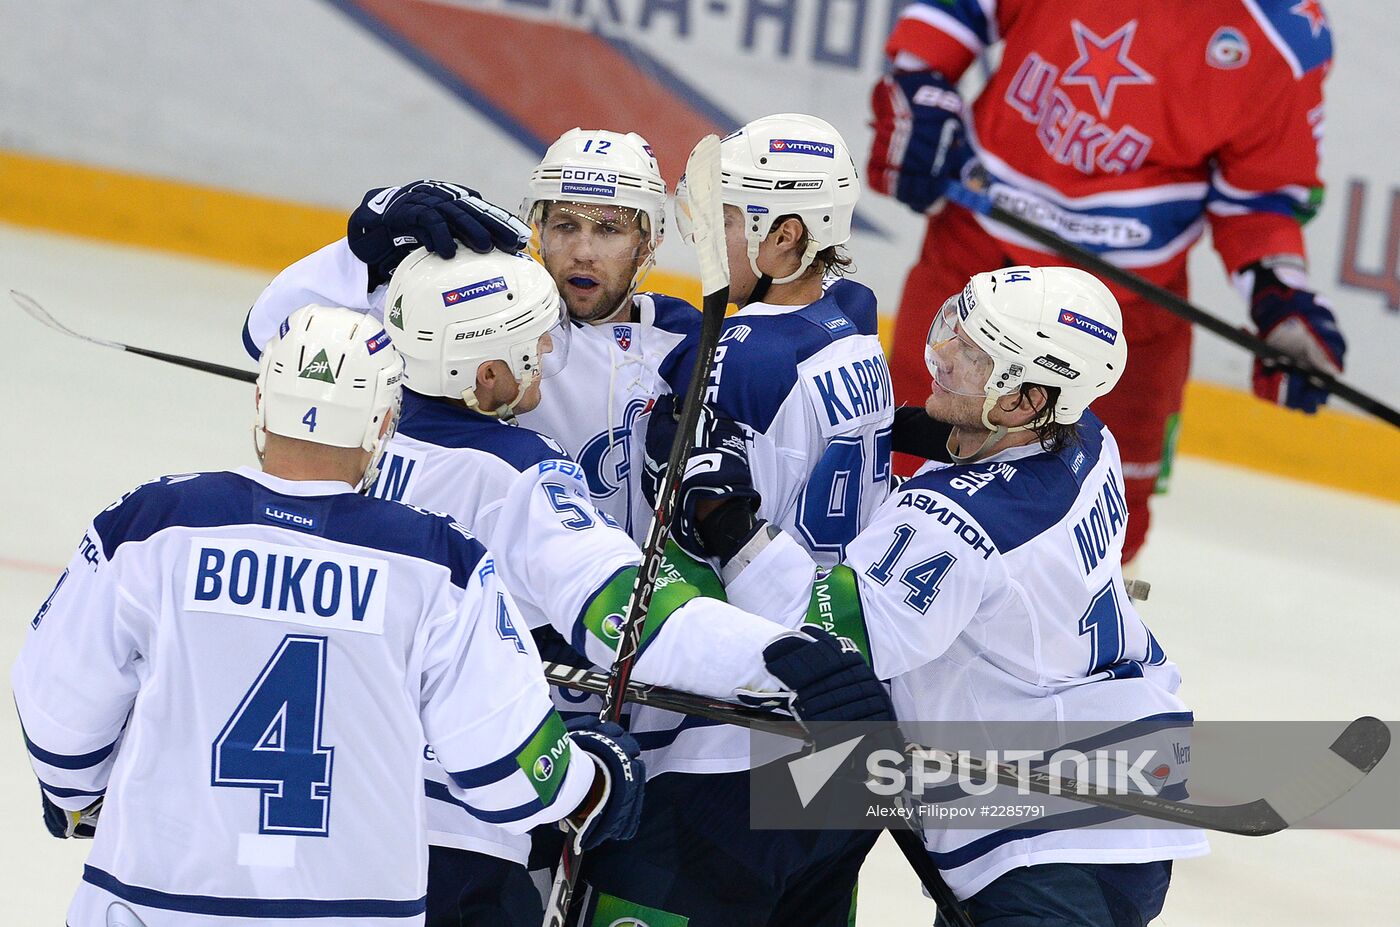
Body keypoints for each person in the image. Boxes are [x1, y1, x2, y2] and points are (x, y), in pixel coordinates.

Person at [243, 249, 893, 926]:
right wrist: (792, 661)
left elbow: (280, 337)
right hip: (455, 836)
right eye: (533, 341)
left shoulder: (341, 448)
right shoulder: (516, 476)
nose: (550, 350)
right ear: (487, 372)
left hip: (314, 818)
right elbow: (638, 624)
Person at [12, 304, 646, 927]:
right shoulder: (439, 563)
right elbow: (502, 765)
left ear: (260, 406)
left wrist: (76, 797)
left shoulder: (151, 524)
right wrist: (591, 783)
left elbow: (58, 701)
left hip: (146, 902)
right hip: (345, 909)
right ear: (383, 426)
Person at [719, 266, 1210, 926]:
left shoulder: (948, 524)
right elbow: (989, 468)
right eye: (958, 328)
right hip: (1120, 804)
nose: (945, 352)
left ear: (1025, 399)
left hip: (1047, 848)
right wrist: (910, 428)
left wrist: (725, 522)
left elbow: (819, 633)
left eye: (976, 354)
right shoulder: (1091, 441)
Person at [868, 0, 1346, 561]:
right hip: (978, 260)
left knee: (1105, 520)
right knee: (899, 458)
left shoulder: (1287, 33)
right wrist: (922, 80)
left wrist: (1279, 295)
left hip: (1130, 312)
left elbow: (1261, 198)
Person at [572, 113, 896, 927]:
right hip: (845, 736)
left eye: (726, 220)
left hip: (732, 739)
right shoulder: (853, 318)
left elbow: (672, 538)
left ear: (785, 236)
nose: (702, 237)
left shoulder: (731, 358)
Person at [244, 129, 695, 542]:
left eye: (609, 230)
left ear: (648, 242)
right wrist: (362, 255)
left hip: (602, 608)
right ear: (537, 227)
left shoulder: (681, 342)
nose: (582, 252)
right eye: (565, 226)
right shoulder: (468, 306)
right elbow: (264, 333)